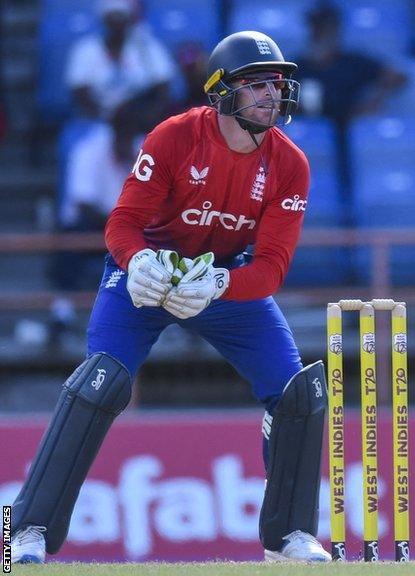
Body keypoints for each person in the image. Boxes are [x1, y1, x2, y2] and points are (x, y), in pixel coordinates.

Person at [10, 31, 330, 564]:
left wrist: (223, 283)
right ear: (223, 91)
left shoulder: (290, 163)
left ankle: (289, 538)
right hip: (147, 275)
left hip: (220, 278)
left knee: (296, 390)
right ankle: (20, 532)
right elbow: (123, 223)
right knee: (100, 381)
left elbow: (272, 269)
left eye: (277, 85)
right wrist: (138, 263)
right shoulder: (173, 137)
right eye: (258, 86)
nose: (273, 96)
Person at [47, 103, 144, 346]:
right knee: (71, 238)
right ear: (113, 130)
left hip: (132, 230)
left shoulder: (145, 150)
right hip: (95, 225)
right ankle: (62, 314)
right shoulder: (90, 148)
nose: (128, 139)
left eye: (131, 134)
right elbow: (83, 204)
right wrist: (121, 225)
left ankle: (165, 319)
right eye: (123, 133)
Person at [296, 1, 406, 213]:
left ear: (335, 30)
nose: (317, 32)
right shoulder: (299, 66)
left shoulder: (353, 62)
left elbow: (399, 77)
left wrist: (373, 102)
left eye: (323, 27)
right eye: (314, 27)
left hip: (348, 141)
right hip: (311, 145)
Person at [66, 0, 176, 121]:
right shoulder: (86, 49)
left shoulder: (147, 47)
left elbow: (163, 86)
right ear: (103, 19)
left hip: (138, 122)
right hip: (96, 121)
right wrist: (107, 117)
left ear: (128, 19)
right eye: (112, 17)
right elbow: (79, 90)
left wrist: (147, 115)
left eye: (120, 17)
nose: (116, 23)